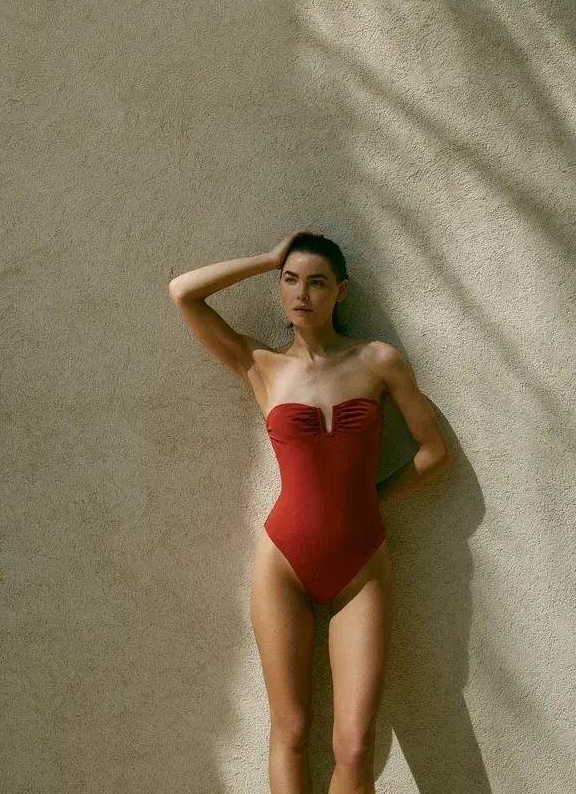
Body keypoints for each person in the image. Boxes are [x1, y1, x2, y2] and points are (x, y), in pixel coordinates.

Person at [168, 230, 452, 794]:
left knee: (355, 746)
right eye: (290, 280)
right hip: (284, 564)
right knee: (292, 730)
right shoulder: (260, 365)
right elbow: (183, 292)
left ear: (340, 291)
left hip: (361, 564)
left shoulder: (378, 361)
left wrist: (372, 498)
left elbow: (433, 453)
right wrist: (268, 258)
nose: (301, 293)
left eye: (317, 282)